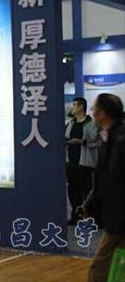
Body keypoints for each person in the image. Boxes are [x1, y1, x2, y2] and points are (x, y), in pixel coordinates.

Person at [78, 94, 125, 282]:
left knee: (99, 270)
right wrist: (89, 204)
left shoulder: (120, 140)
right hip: (115, 217)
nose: (92, 112)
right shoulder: (109, 138)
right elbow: (103, 179)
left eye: (94, 108)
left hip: (119, 220)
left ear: (103, 113)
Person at [65, 98, 92, 224]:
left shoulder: (90, 123)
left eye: (74, 105)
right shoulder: (71, 123)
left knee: (86, 190)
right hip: (71, 162)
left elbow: (95, 141)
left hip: (86, 163)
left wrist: (81, 142)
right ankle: (75, 216)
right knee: (73, 189)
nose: (72, 107)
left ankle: (88, 217)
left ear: (81, 107)